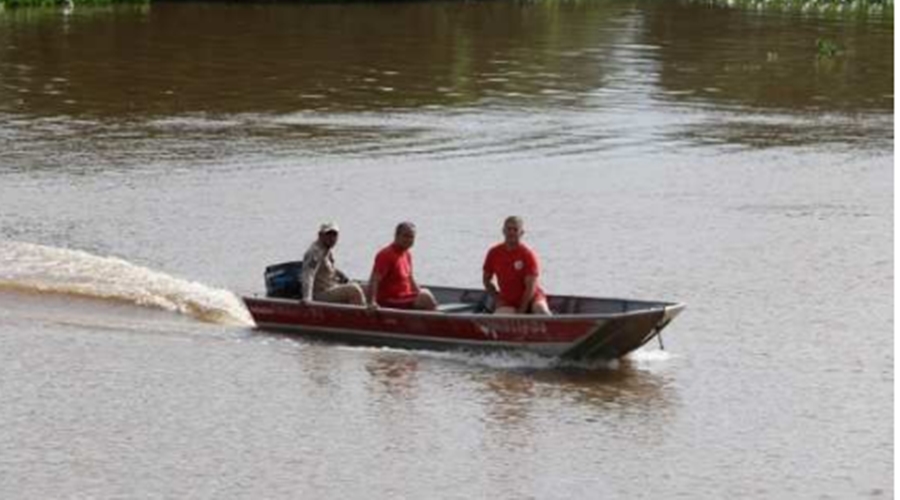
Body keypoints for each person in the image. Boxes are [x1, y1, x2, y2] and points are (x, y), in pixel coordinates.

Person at [482, 216, 551, 315]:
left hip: (532, 298)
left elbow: (530, 288)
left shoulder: (527, 255)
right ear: (503, 231)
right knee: (499, 317)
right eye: (509, 229)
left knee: (542, 311)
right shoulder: (493, 253)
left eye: (515, 229)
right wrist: (497, 298)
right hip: (508, 301)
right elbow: (486, 280)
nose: (511, 232)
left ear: (521, 233)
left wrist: (522, 311)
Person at [368, 222, 438, 310]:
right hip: (390, 300)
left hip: (404, 298)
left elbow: (410, 279)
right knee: (425, 298)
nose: (408, 240)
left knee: (425, 292)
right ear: (396, 236)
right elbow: (374, 280)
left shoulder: (407, 254)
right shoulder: (386, 255)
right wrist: (372, 302)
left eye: (411, 237)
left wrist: (419, 292)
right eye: (405, 236)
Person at [300, 222, 366, 306]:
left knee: (365, 287)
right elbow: (308, 274)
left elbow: (330, 269)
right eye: (328, 234)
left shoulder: (326, 250)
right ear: (320, 235)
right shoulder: (315, 252)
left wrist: (344, 277)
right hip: (320, 293)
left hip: (331, 286)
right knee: (354, 290)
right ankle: (364, 316)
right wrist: (307, 298)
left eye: (334, 235)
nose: (332, 238)